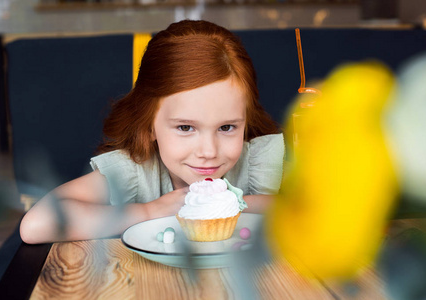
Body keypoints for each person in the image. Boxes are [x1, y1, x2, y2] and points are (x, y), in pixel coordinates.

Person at [20, 20, 285, 244]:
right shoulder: (136, 172)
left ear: (245, 120)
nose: (209, 152)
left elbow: (317, 208)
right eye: (185, 127)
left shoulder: (259, 163)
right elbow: (35, 225)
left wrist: (229, 205)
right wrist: (149, 211)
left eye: (227, 127)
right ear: (149, 124)